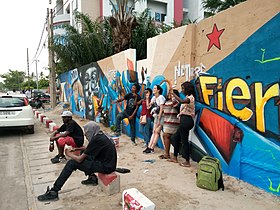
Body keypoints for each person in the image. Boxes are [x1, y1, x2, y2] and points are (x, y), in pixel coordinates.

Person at [37, 121, 117, 201]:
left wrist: (68, 154)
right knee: (83, 152)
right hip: (107, 163)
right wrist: (76, 149)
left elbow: (79, 160)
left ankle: (54, 191)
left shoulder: (96, 139)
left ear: (91, 131)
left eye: (87, 133)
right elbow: (88, 149)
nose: (86, 135)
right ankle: (92, 178)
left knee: (71, 163)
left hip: (106, 167)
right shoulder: (100, 135)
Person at [169, 81, 195, 167]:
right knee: (175, 138)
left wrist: (174, 94)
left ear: (188, 89)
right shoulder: (188, 97)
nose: (182, 90)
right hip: (184, 120)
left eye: (183, 88)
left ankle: (187, 161)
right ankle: (175, 157)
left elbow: (182, 101)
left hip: (186, 121)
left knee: (184, 141)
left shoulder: (190, 98)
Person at [143, 85, 166, 154]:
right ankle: (149, 146)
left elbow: (162, 108)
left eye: (155, 88)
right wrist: (147, 98)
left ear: (158, 90)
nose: (154, 89)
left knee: (157, 132)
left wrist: (159, 118)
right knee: (154, 131)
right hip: (156, 116)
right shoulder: (153, 98)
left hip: (161, 116)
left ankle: (152, 147)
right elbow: (148, 107)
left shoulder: (161, 97)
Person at [159, 89, 180, 159]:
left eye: (172, 94)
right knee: (166, 136)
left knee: (166, 135)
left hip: (173, 122)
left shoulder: (176, 102)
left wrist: (174, 96)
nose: (170, 95)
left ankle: (168, 154)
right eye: (170, 94)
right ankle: (167, 153)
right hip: (167, 122)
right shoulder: (167, 102)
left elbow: (176, 105)